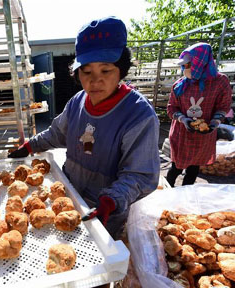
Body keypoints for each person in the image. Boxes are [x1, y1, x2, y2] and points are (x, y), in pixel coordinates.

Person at [9, 16, 160, 240]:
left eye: (106, 70)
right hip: (68, 197)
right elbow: (56, 134)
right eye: (86, 71)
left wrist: (112, 200)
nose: (95, 81)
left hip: (105, 212)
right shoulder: (77, 102)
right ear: (76, 72)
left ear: (121, 70)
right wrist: (30, 146)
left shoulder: (138, 115)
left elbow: (140, 174)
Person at [166, 43, 232, 187]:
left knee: (193, 169)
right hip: (181, 135)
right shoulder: (180, 85)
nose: (184, 69)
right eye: (183, 66)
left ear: (200, 63)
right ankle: (167, 192)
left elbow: (223, 106)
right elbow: (171, 109)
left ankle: (185, 195)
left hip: (203, 138)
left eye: (188, 65)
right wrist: (184, 120)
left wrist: (214, 123)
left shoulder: (220, 83)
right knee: (176, 168)